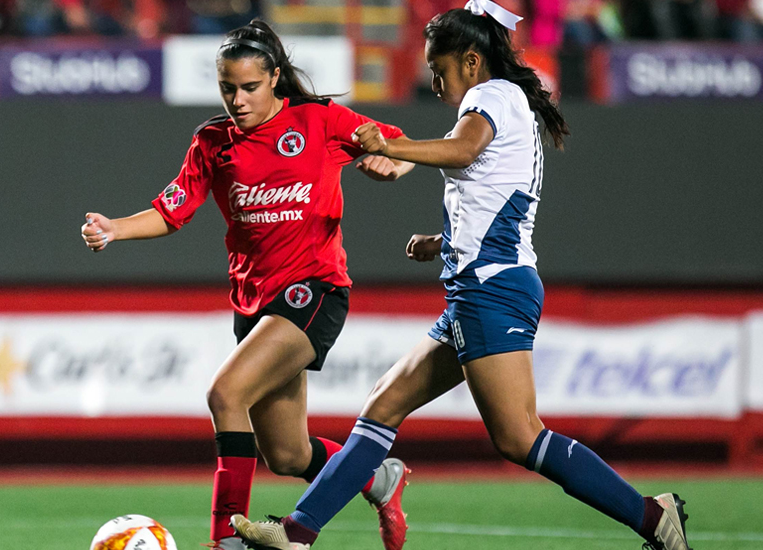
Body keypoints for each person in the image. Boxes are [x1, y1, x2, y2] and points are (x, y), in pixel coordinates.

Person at [229, 3, 691, 550]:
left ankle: (652, 517)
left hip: (491, 291)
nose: (432, 78)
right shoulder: (501, 101)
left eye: (439, 66)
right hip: (482, 288)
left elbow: (465, 150)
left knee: (520, 437)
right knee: (384, 405)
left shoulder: (490, 97)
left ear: (472, 60)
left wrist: (389, 144)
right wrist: (442, 241)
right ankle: (298, 533)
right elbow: (493, 196)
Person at [81, 20, 415, 550]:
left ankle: (223, 541)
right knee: (286, 454)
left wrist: (387, 163)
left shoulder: (319, 120)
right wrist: (116, 228)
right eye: (227, 88)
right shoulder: (213, 142)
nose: (237, 99)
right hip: (255, 304)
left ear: (276, 78)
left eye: (250, 87)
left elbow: (394, 145)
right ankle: (377, 478)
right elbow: (173, 212)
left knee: (225, 392)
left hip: (315, 289)